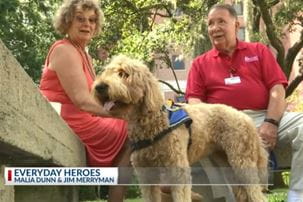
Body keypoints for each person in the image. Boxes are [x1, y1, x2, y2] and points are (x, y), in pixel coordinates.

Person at [185, 3, 303, 202]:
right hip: (222, 124)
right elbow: (194, 103)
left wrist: (271, 122)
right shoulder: (200, 64)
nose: (214, 28)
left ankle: (297, 196)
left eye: (221, 21)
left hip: (263, 116)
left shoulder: (258, 50)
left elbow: (277, 89)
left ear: (236, 25)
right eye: (210, 23)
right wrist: (216, 126)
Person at [39, 0, 130, 201]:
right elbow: (82, 101)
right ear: (67, 21)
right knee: (135, 130)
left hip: (81, 118)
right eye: (80, 19)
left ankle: (114, 191)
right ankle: (116, 195)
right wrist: (124, 113)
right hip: (68, 121)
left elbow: (96, 97)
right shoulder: (64, 49)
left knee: (138, 129)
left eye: (92, 20)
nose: (86, 24)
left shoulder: (83, 53)